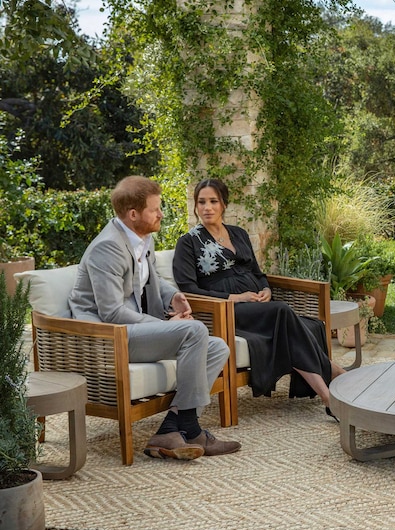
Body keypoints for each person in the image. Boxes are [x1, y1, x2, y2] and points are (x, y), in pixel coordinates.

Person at [69, 176, 241, 460]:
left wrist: (173, 296)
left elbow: (154, 279)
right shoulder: (107, 248)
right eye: (155, 209)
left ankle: (170, 429)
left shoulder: (141, 237)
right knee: (194, 331)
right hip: (107, 338)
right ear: (133, 214)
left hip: (130, 330)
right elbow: (111, 313)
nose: (161, 214)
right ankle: (191, 429)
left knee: (218, 347)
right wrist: (165, 326)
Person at [172, 178, 345, 420]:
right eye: (201, 202)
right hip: (226, 311)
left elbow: (257, 272)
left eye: (213, 201)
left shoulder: (238, 234)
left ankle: (331, 391)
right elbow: (188, 289)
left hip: (258, 305)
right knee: (283, 312)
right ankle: (332, 383)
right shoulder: (188, 242)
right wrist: (233, 297)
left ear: (224, 204)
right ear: (195, 205)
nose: (207, 207)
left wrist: (266, 289)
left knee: (291, 321)